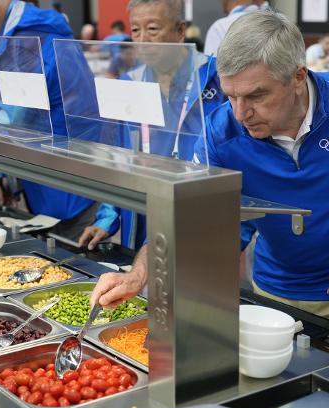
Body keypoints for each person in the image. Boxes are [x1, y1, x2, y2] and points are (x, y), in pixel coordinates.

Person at [91, 11, 329, 358]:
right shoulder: (219, 132)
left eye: (255, 95)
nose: (240, 113)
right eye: (230, 96)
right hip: (273, 288)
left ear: (298, 77)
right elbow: (186, 213)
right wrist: (139, 274)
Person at [78, 0, 227, 251]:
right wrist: (107, 218)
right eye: (135, 30)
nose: (143, 39)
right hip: (143, 214)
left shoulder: (216, 79)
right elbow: (120, 158)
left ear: (181, 31)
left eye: (153, 29)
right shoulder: (129, 84)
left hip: (200, 213)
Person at [0, 0, 99, 240]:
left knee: (70, 258)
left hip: (67, 183)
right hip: (57, 174)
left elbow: (6, 120)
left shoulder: (25, 41)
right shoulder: (19, 35)